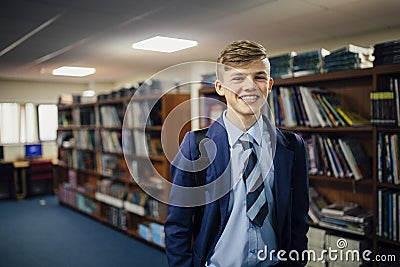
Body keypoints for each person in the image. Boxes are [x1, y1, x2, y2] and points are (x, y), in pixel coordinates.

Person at [165, 40, 309, 267]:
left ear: (269, 84)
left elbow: (298, 220)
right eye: (238, 78)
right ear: (220, 88)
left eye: (259, 77)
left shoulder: (291, 146)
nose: (250, 86)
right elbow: (178, 225)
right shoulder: (195, 145)